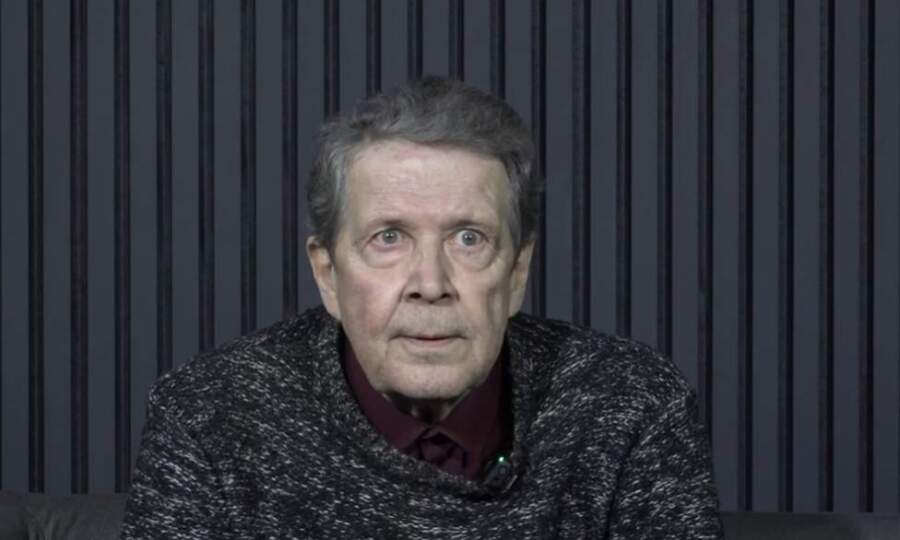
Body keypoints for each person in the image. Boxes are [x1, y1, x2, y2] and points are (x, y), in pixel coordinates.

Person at [121, 76, 723, 539]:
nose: (430, 284)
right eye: (389, 238)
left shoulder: (631, 407)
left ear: (517, 273)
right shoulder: (211, 418)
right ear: (327, 274)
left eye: (469, 238)